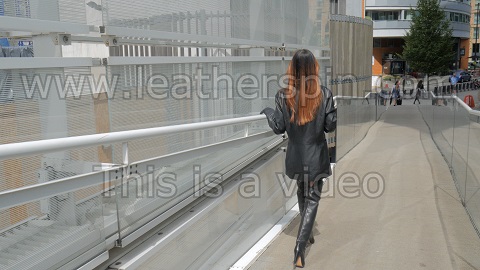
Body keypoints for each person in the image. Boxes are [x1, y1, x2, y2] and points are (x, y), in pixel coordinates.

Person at [260, 49, 336, 268]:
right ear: (314, 68)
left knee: (303, 193)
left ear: (292, 69)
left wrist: (267, 111)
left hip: (295, 156)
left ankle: (307, 231)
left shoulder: (283, 96)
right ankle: (299, 249)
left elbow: (279, 127)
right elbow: (330, 126)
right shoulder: (325, 94)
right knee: (312, 197)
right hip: (316, 155)